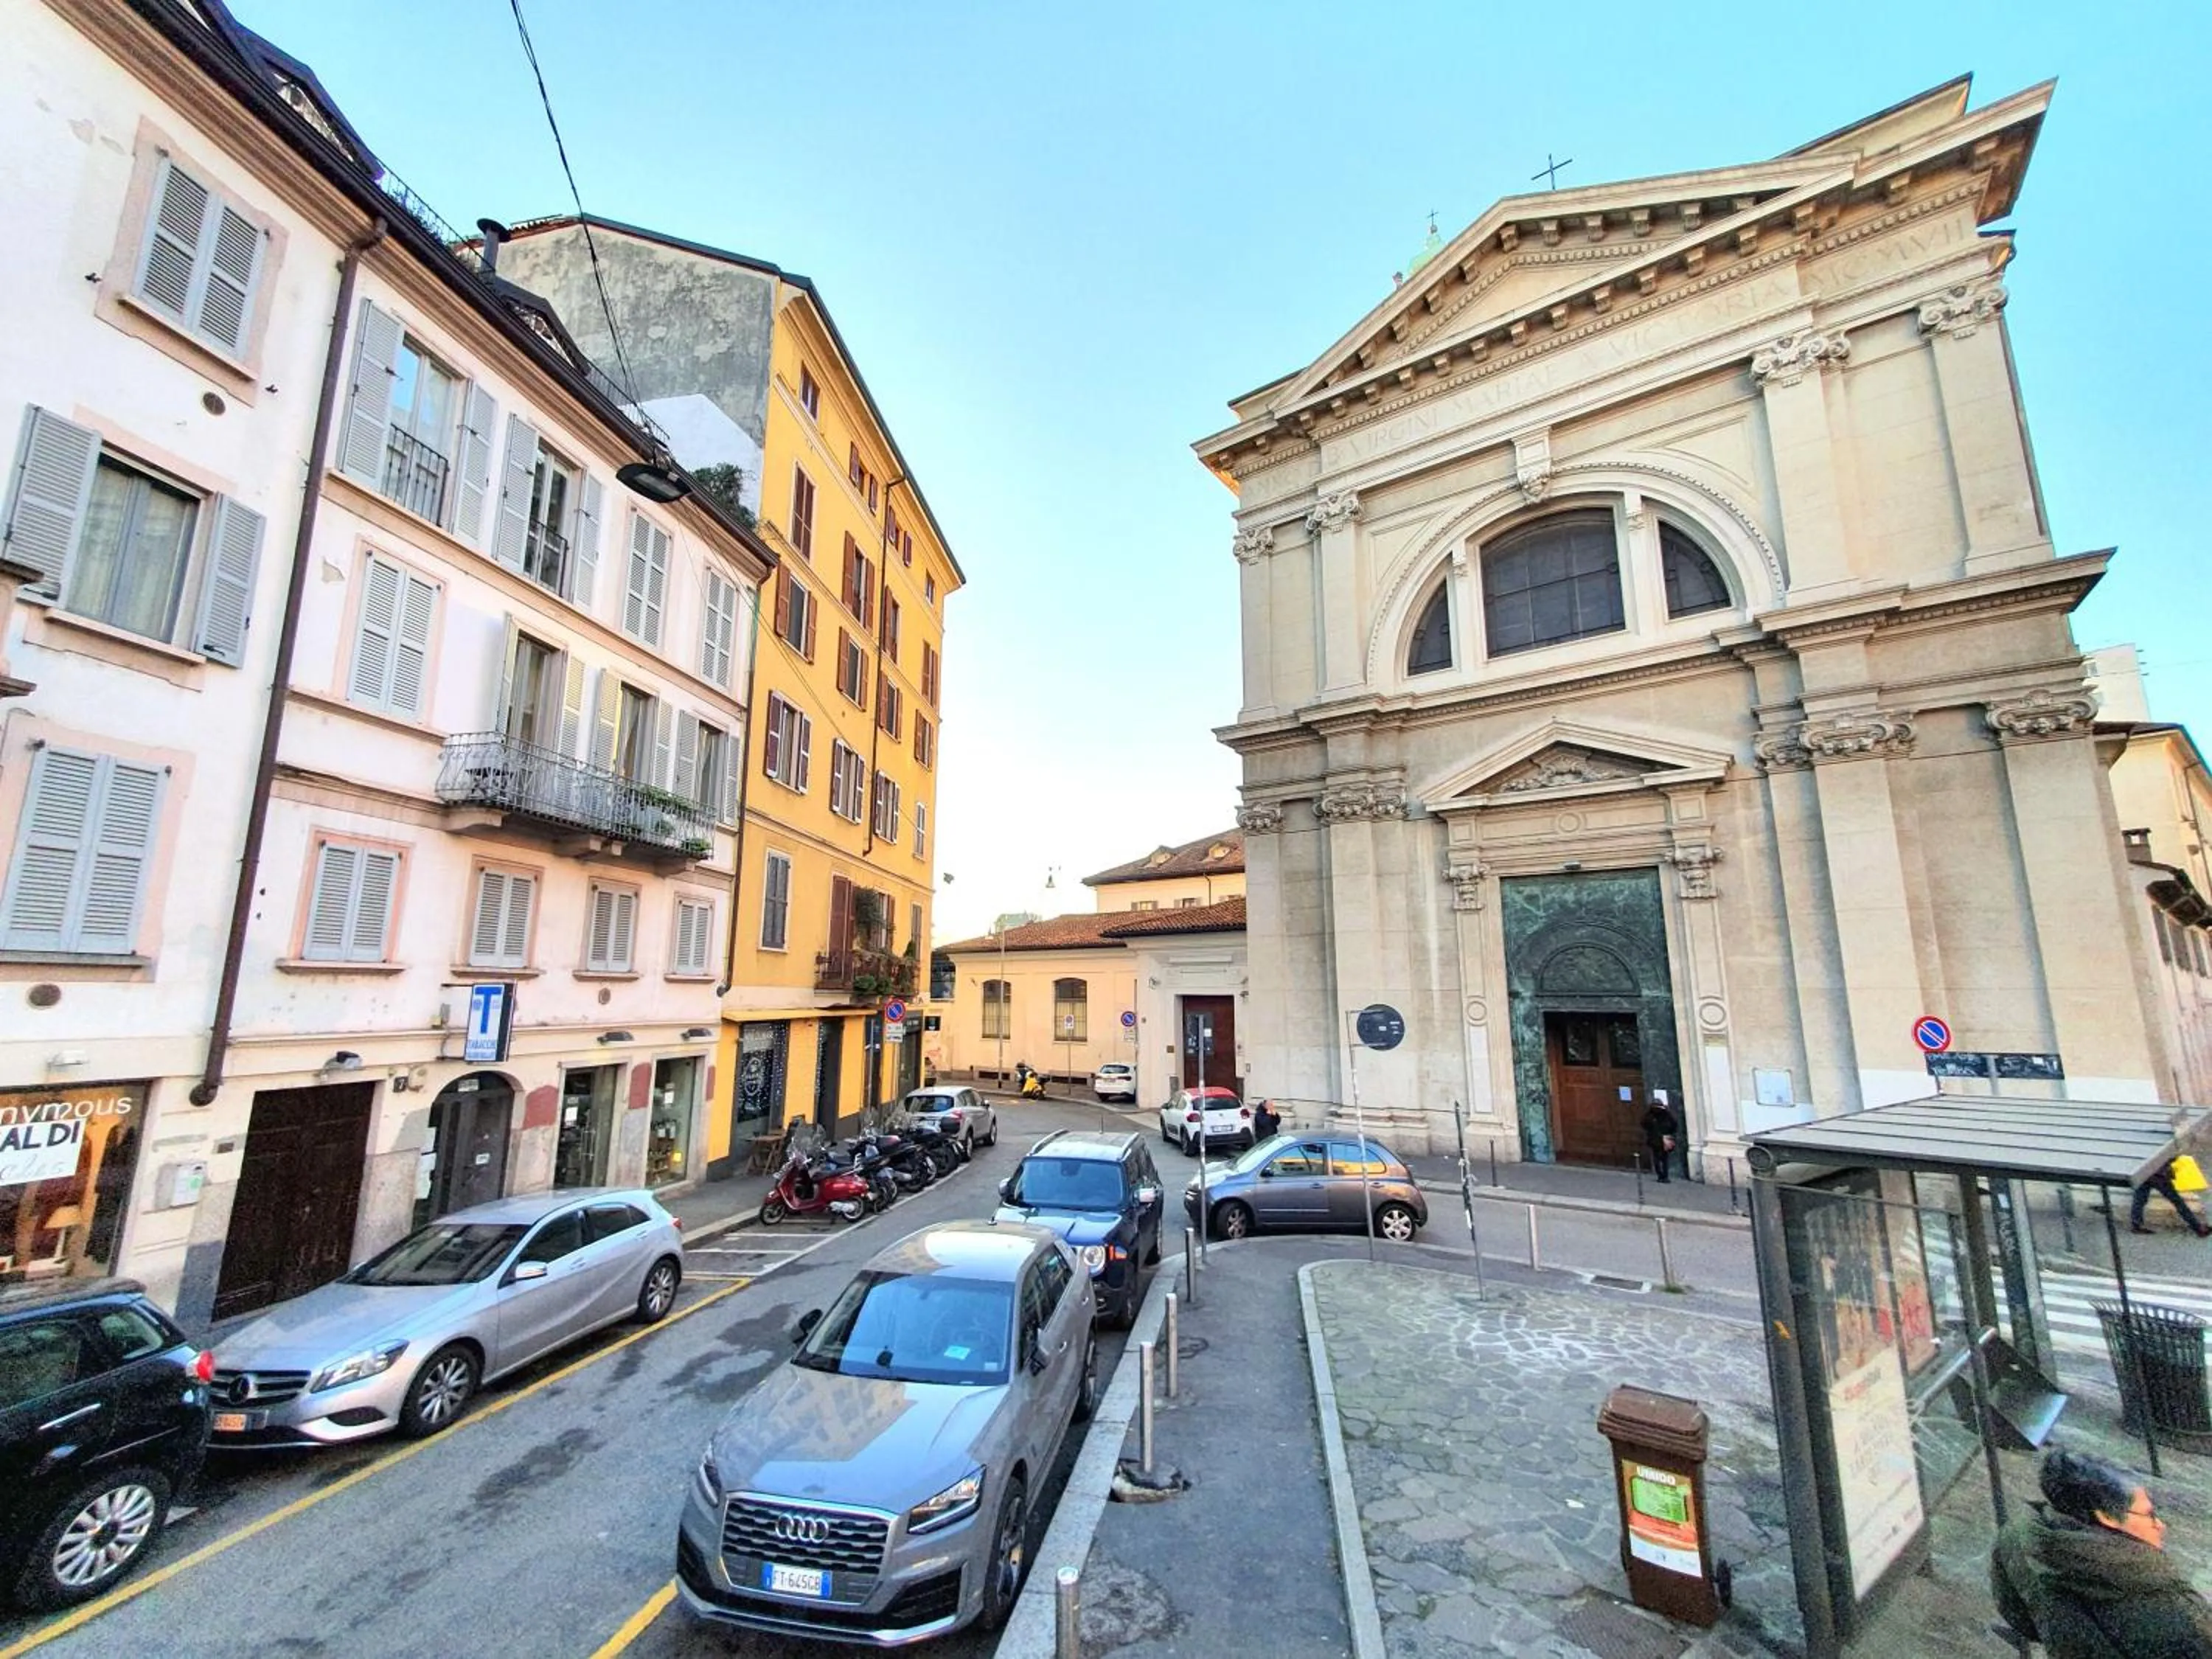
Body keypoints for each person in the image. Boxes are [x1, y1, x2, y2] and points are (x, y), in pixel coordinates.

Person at [1992, 1447, 2212, 1658]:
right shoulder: (2169, 1603)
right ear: (2106, 1517)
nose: (2160, 1525)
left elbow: (2016, 1615)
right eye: (2149, 1515)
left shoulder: (2016, 1538)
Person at [2130, 1158, 2211, 1237]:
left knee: (2139, 1200)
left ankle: (2137, 1225)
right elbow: (2169, 1156)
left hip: (2143, 1173)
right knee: (2178, 1202)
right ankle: (2197, 1227)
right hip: (2159, 1175)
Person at [1641, 1093, 1678, 1183]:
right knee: (1664, 1159)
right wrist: (1670, 1133)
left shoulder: (1650, 1114)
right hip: (1665, 1138)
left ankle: (1660, 1176)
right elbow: (1674, 1124)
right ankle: (1665, 1176)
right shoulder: (1666, 1113)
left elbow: (1644, 1124)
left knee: (1656, 1158)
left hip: (1654, 1139)